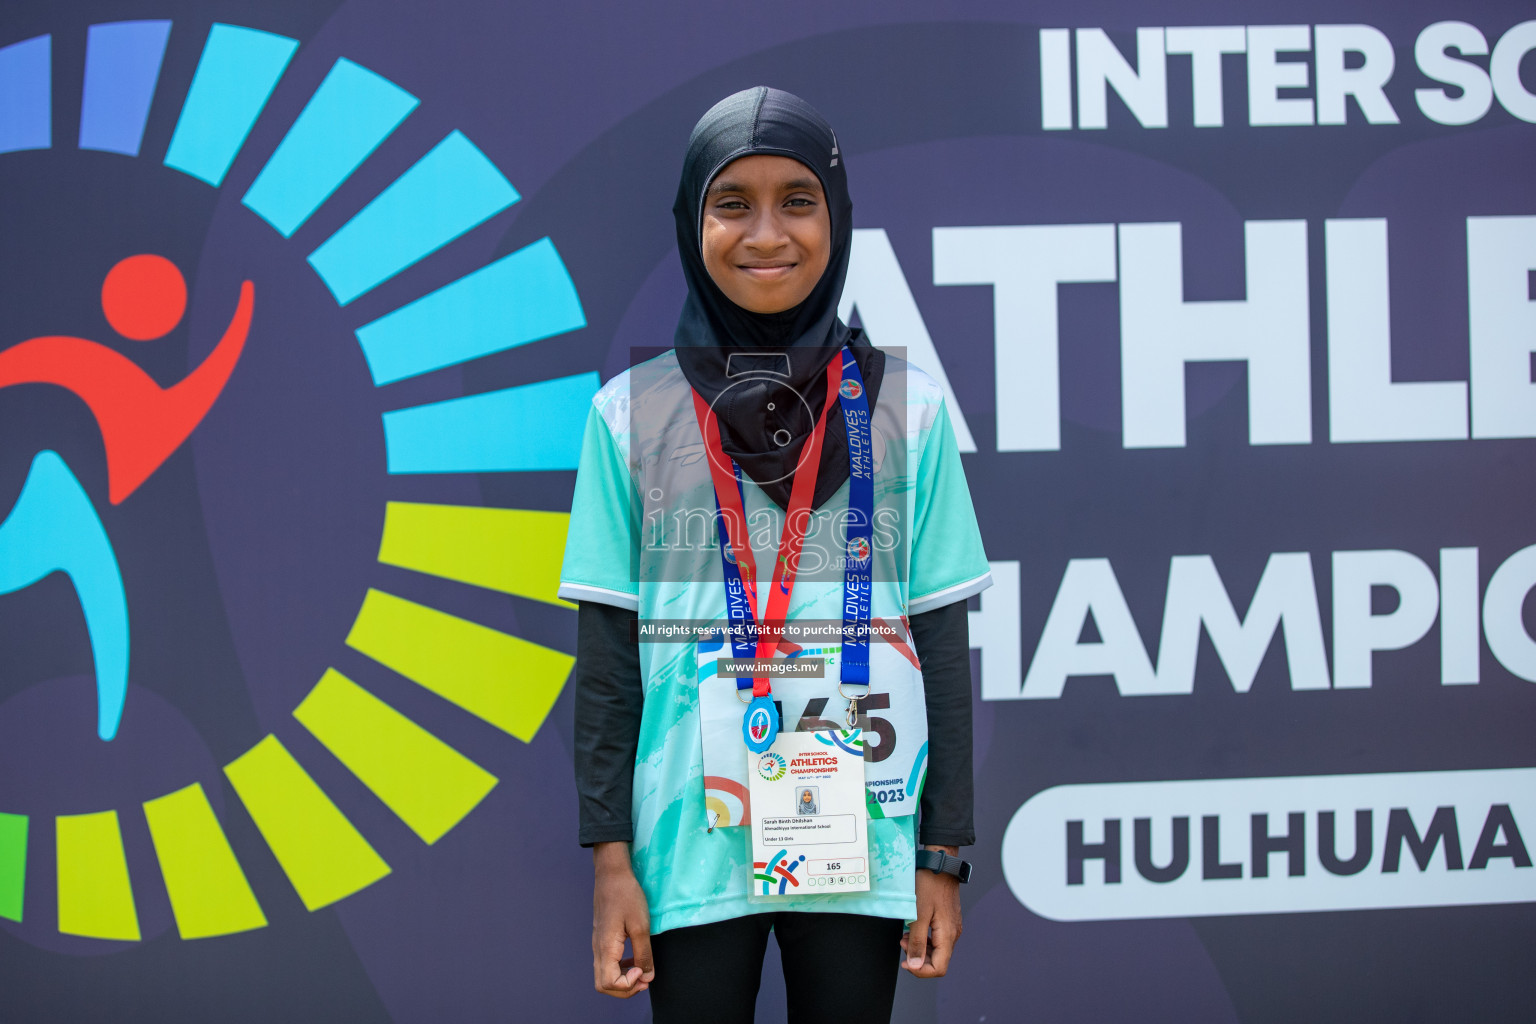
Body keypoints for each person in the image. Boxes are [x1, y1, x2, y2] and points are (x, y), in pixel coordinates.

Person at [560, 86, 990, 1023]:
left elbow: (945, 650)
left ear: (837, 217)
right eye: (732, 203)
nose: (766, 234)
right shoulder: (628, 416)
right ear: (690, 220)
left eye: (798, 200)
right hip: (686, 846)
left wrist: (943, 854)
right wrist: (610, 863)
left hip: (863, 835)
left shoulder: (907, 410)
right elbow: (605, 665)